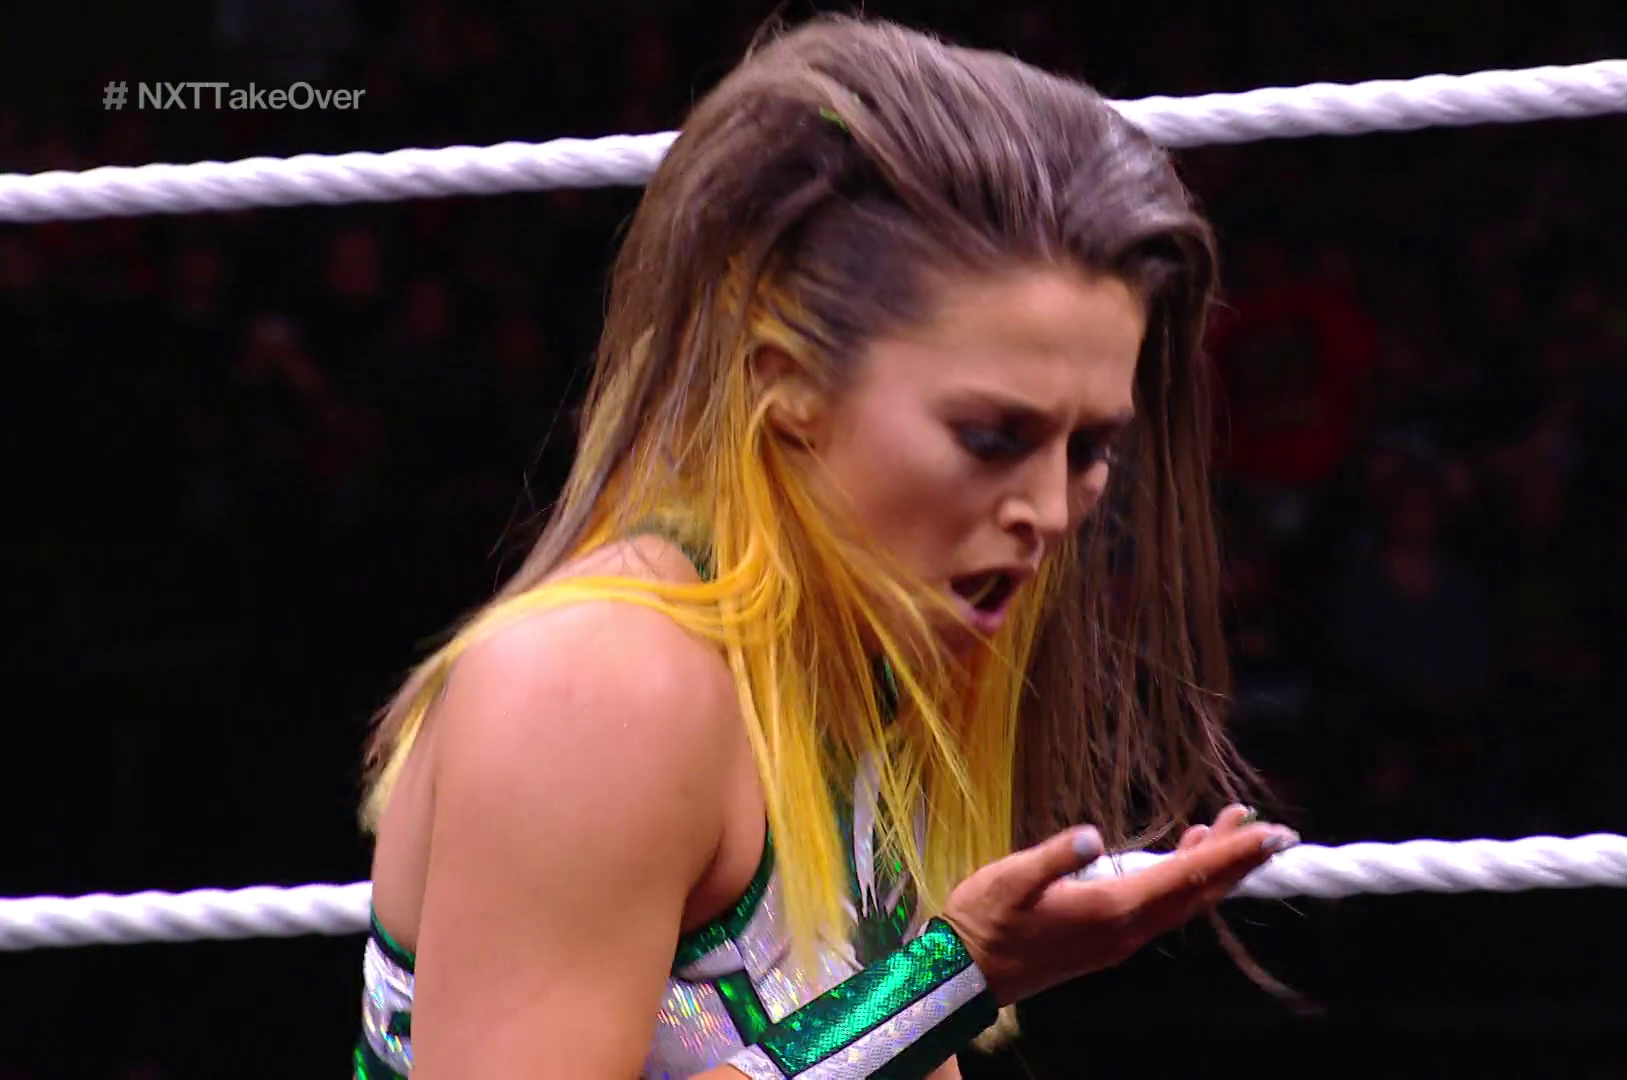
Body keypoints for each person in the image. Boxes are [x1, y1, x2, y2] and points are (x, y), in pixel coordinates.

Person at [352, 15, 1299, 1079]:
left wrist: (941, 994)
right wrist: (947, 984)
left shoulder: (854, 661)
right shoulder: (597, 683)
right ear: (787, 383)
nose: (1050, 509)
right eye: (993, 437)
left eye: (1089, 449)